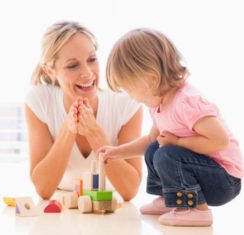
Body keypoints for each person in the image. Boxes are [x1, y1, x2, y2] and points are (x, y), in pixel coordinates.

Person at [98, 28, 243, 226]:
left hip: (225, 180)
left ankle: (197, 210)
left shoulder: (186, 102)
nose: (131, 97)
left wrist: (177, 141)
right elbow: (150, 140)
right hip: (201, 173)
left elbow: (219, 140)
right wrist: (117, 152)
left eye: (130, 89)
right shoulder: (158, 105)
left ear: (150, 79)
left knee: (165, 154)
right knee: (155, 148)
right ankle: (171, 199)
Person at [24, 21, 143, 201]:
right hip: (62, 214)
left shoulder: (126, 103)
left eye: (92, 59)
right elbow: (44, 189)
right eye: (73, 66)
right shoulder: (39, 102)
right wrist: (68, 130)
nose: (87, 73)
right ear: (50, 71)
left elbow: (129, 190)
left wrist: (94, 133)